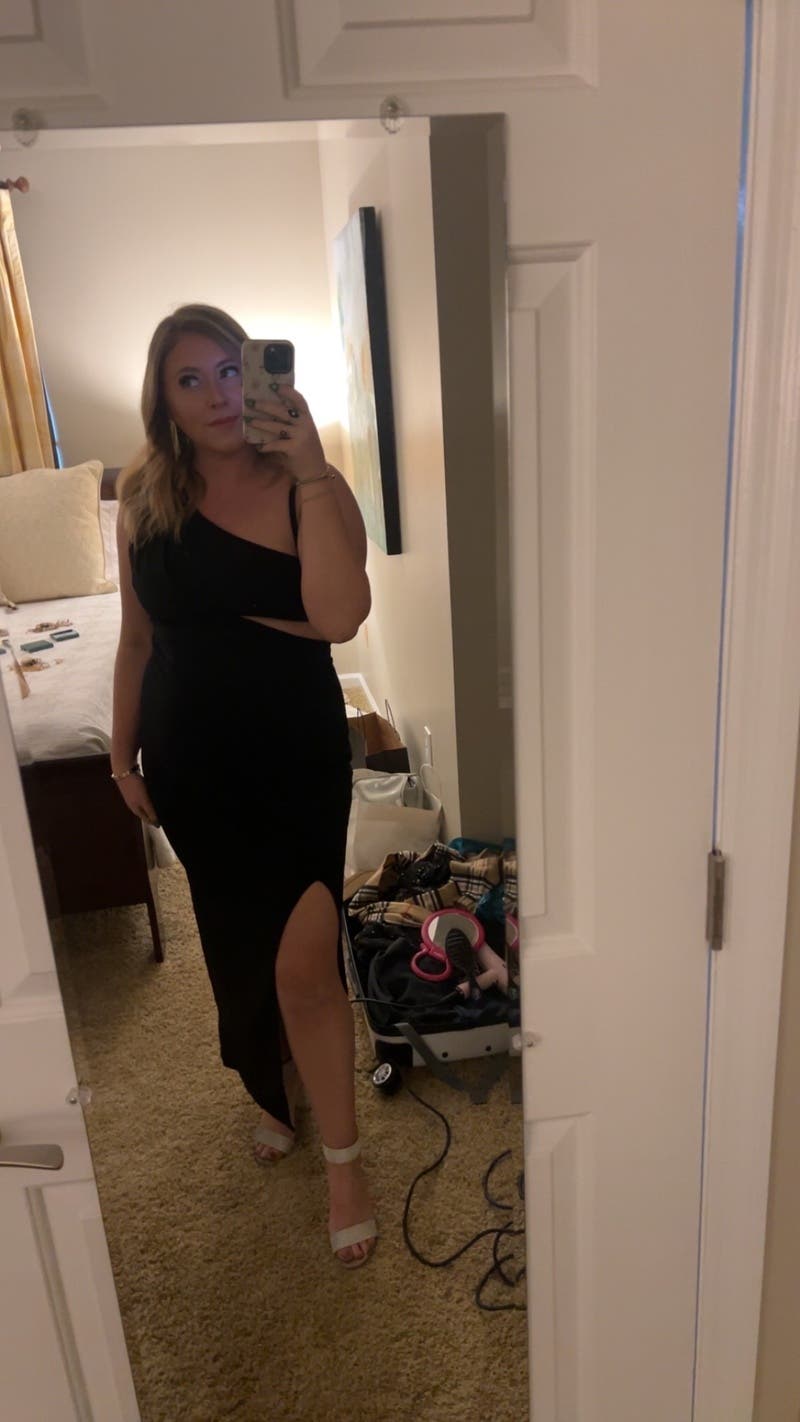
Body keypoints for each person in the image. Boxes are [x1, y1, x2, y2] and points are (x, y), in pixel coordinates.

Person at [111, 303, 377, 1269]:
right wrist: (120, 759)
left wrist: (310, 470)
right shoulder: (143, 497)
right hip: (191, 764)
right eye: (191, 380)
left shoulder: (309, 483)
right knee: (236, 942)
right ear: (164, 400)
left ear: (257, 374)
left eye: (230, 370)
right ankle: (275, 1083)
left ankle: (344, 1163)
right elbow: (137, 640)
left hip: (291, 759)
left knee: (306, 961)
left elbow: (340, 618)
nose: (218, 395)